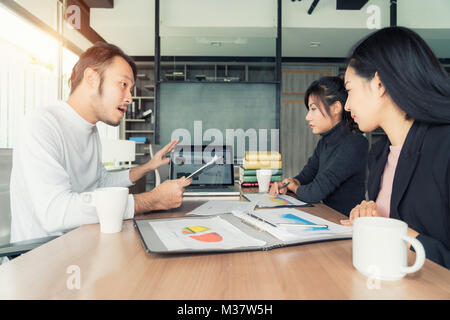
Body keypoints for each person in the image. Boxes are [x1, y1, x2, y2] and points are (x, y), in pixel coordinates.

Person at [10, 42, 191, 243]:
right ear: (91, 78)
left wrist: (148, 167)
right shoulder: (41, 125)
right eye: (123, 84)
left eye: (131, 89)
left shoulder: (91, 130)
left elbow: (100, 182)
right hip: (41, 258)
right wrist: (150, 201)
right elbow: (55, 212)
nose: (130, 98)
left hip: (83, 242)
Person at [340, 27, 450, 269]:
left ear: (379, 84)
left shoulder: (444, 146)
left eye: (349, 89)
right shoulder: (379, 154)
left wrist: (395, 231)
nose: (347, 105)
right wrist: (370, 218)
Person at [269, 76, 368, 216]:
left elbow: (314, 193)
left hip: (345, 225)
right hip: (327, 217)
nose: (307, 117)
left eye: (313, 109)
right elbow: (305, 177)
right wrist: (288, 184)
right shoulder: (324, 142)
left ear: (336, 108)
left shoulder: (355, 143)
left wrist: (295, 187)